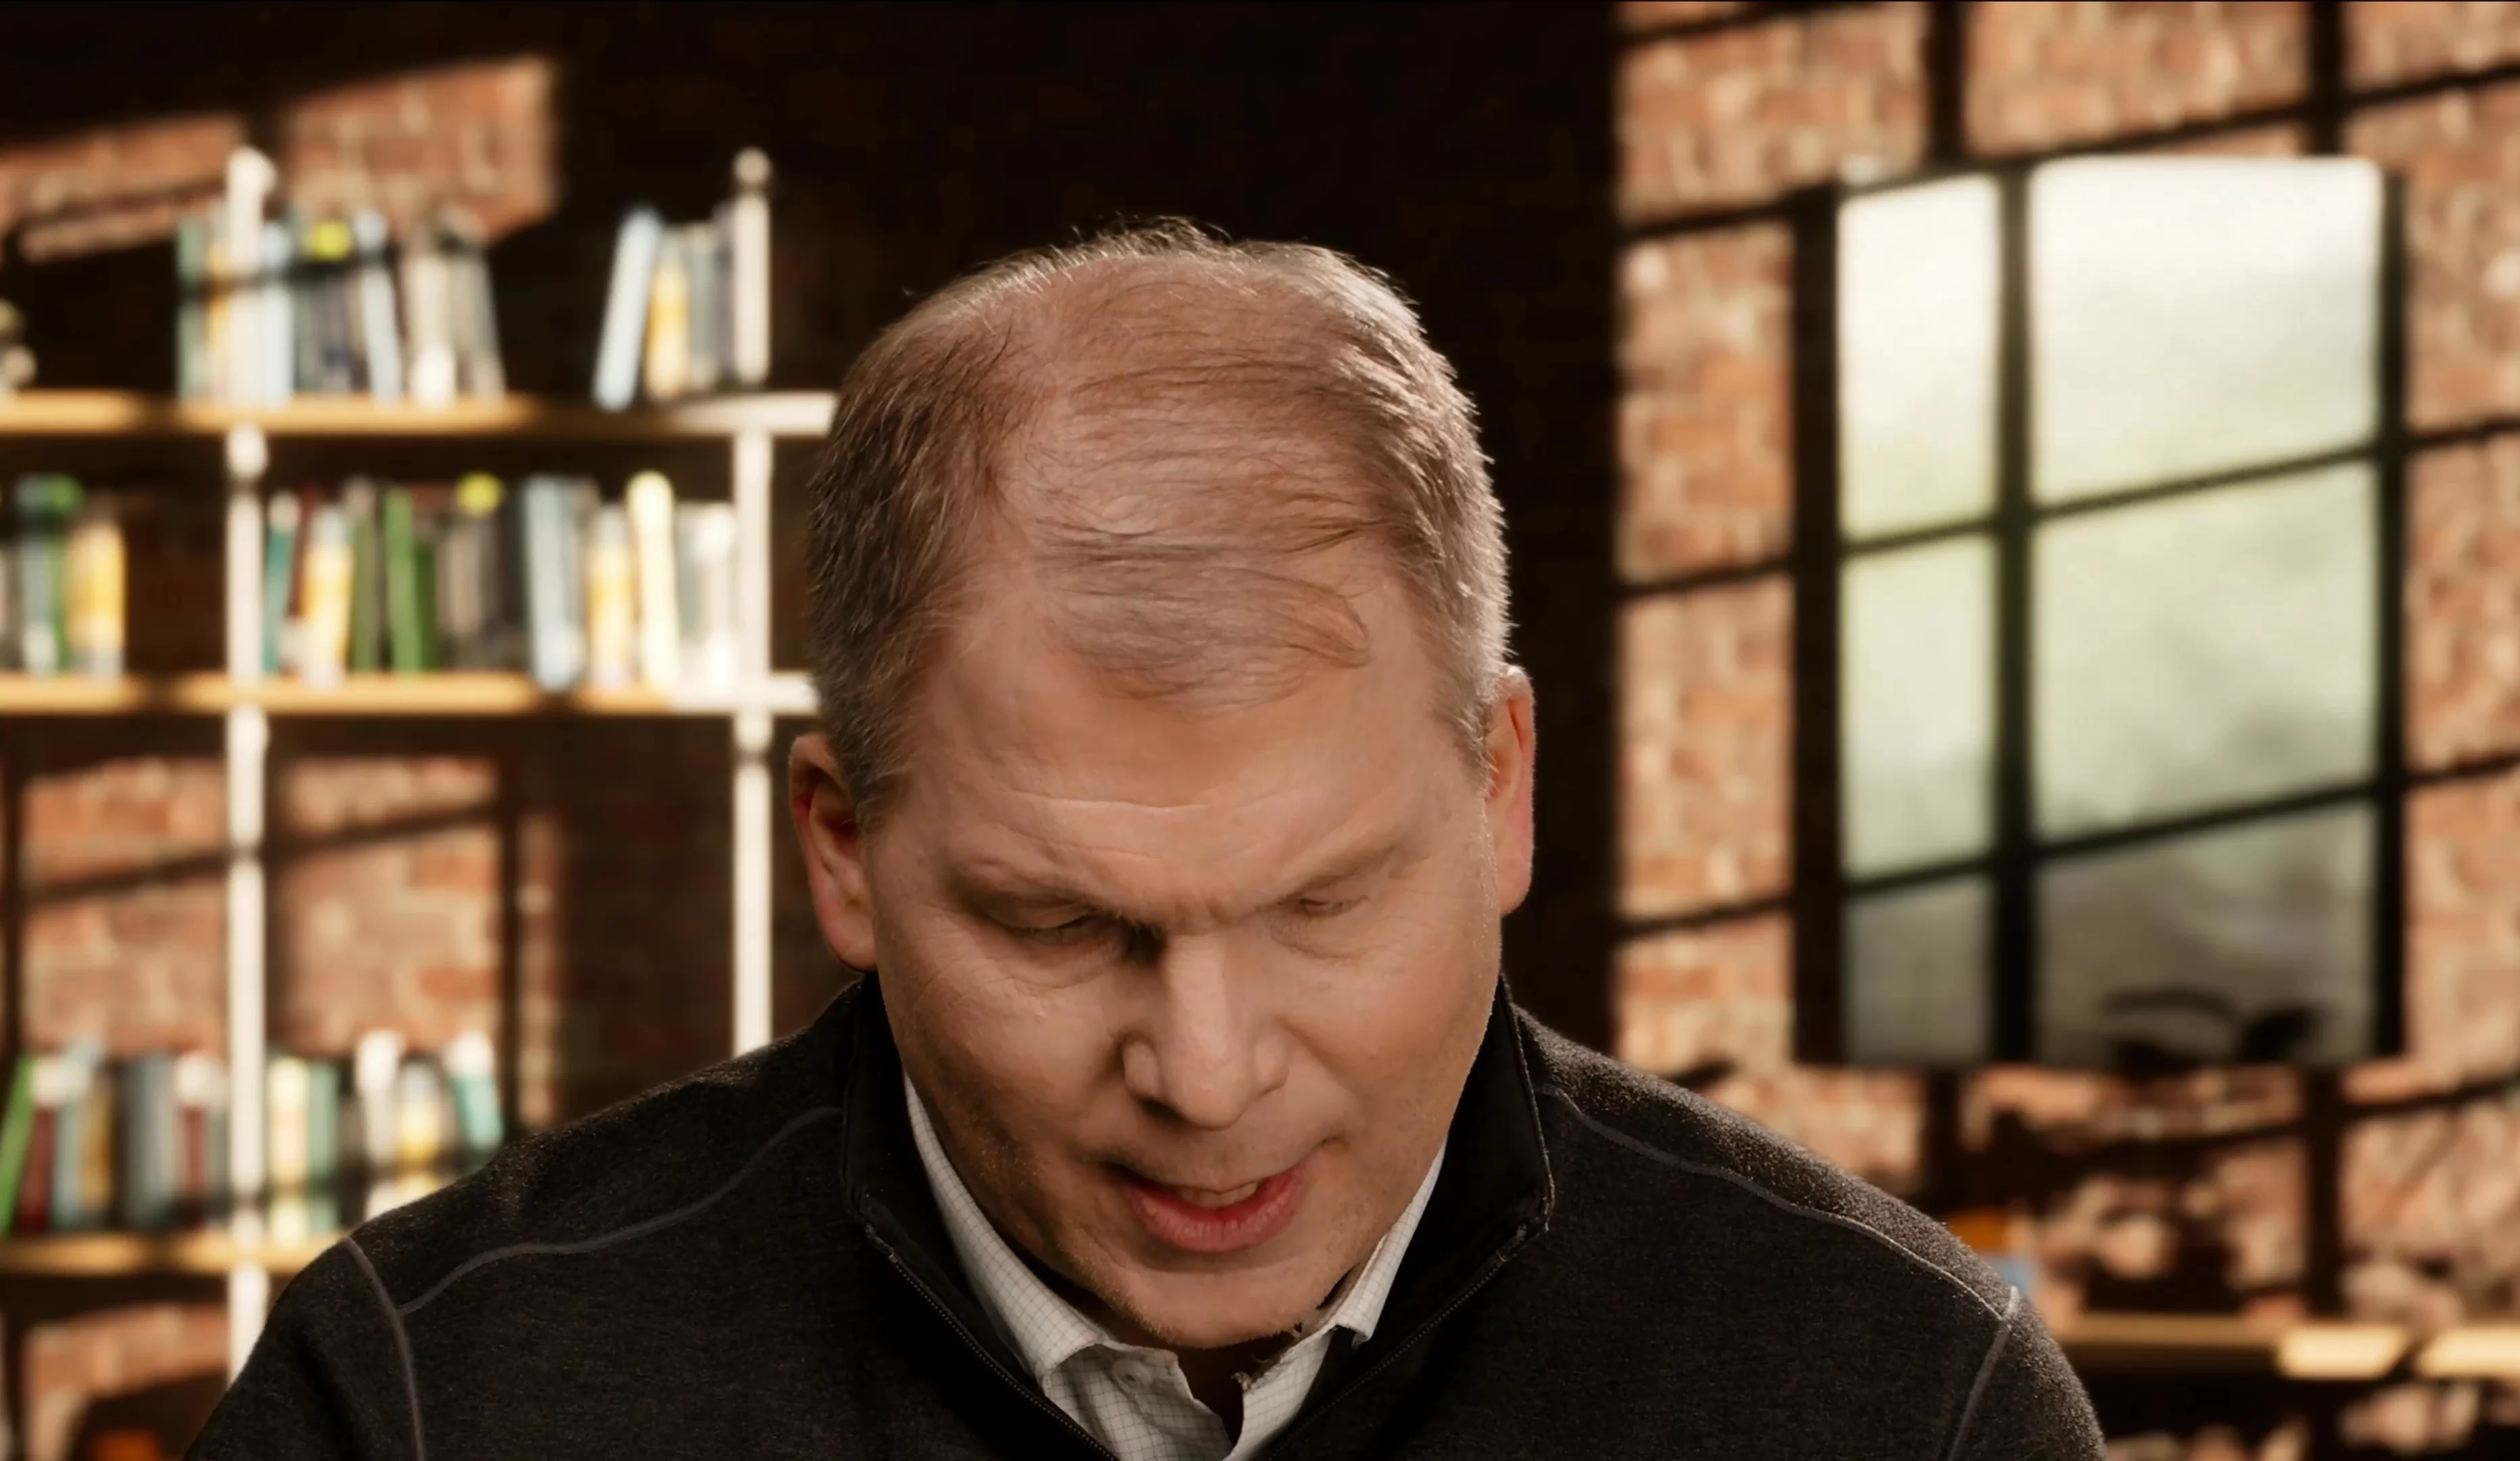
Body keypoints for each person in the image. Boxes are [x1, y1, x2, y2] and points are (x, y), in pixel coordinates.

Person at [190, 224, 2102, 1460]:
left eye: (1324, 900)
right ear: (842, 849)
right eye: (1060, 927)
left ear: (1503, 788)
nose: (1206, 1077)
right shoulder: (422, 1402)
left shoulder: (1907, 1405)